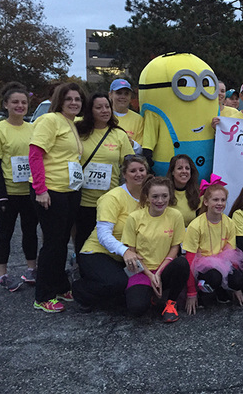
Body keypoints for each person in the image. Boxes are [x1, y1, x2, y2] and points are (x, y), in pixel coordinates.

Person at [29, 82, 86, 313]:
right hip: (51, 191)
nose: (74, 103)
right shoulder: (49, 120)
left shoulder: (71, 123)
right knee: (52, 245)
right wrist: (41, 190)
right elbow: (35, 155)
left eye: (78, 99)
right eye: (69, 99)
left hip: (69, 190)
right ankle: (43, 295)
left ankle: (61, 285)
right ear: (59, 101)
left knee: (62, 241)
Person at [73, 155, 148, 312]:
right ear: (124, 174)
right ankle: (80, 289)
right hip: (98, 252)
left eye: (142, 170)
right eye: (133, 171)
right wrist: (125, 251)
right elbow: (103, 235)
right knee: (117, 283)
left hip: (128, 256)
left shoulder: (148, 197)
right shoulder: (113, 197)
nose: (138, 174)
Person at [0, 82, 38, 291]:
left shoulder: (33, 128)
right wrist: (1, 195)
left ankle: (32, 269)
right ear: (5, 104)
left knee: (30, 231)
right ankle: (3, 274)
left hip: (29, 191)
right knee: (5, 233)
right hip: (8, 193)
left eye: (23, 102)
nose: (20, 106)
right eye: (15, 102)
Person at [121, 176, 190, 322]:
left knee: (182, 264)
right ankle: (150, 293)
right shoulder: (134, 218)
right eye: (155, 196)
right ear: (146, 196)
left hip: (163, 269)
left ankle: (171, 303)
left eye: (164, 196)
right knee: (137, 309)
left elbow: (175, 246)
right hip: (141, 270)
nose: (160, 201)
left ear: (170, 196)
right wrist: (150, 275)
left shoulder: (175, 215)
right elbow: (131, 252)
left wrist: (158, 273)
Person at [74, 93, 134, 253]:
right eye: (99, 107)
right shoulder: (78, 131)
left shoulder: (119, 134)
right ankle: (81, 268)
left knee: (108, 239)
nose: (104, 110)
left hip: (109, 200)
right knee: (83, 238)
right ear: (90, 110)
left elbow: (130, 164)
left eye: (107, 106)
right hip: (83, 199)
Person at [182, 176, 243, 315]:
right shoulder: (196, 225)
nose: (220, 203)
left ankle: (221, 290)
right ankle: (201, 291)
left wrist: (237, 286)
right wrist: (191, 292)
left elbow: (232, 254)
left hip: (221, 262)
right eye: (215, 200)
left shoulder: (229, 223)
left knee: (237, 280)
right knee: (214, 277)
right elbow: (190, 259)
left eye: (223, 200)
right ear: (205, 201)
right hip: (202, 264)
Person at [166, 154, 200, 228]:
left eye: (187, 168)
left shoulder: (198, 193)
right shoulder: (164, 193)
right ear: (172, 172)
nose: (184, 171)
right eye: (179, 168)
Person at [109, 78, 144, 147]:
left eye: (126, 94)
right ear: (110, 95)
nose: (123, 97)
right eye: (119, 93)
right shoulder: (104, 116)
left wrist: (132, 144)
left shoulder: (138, 119)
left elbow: (141, 149)